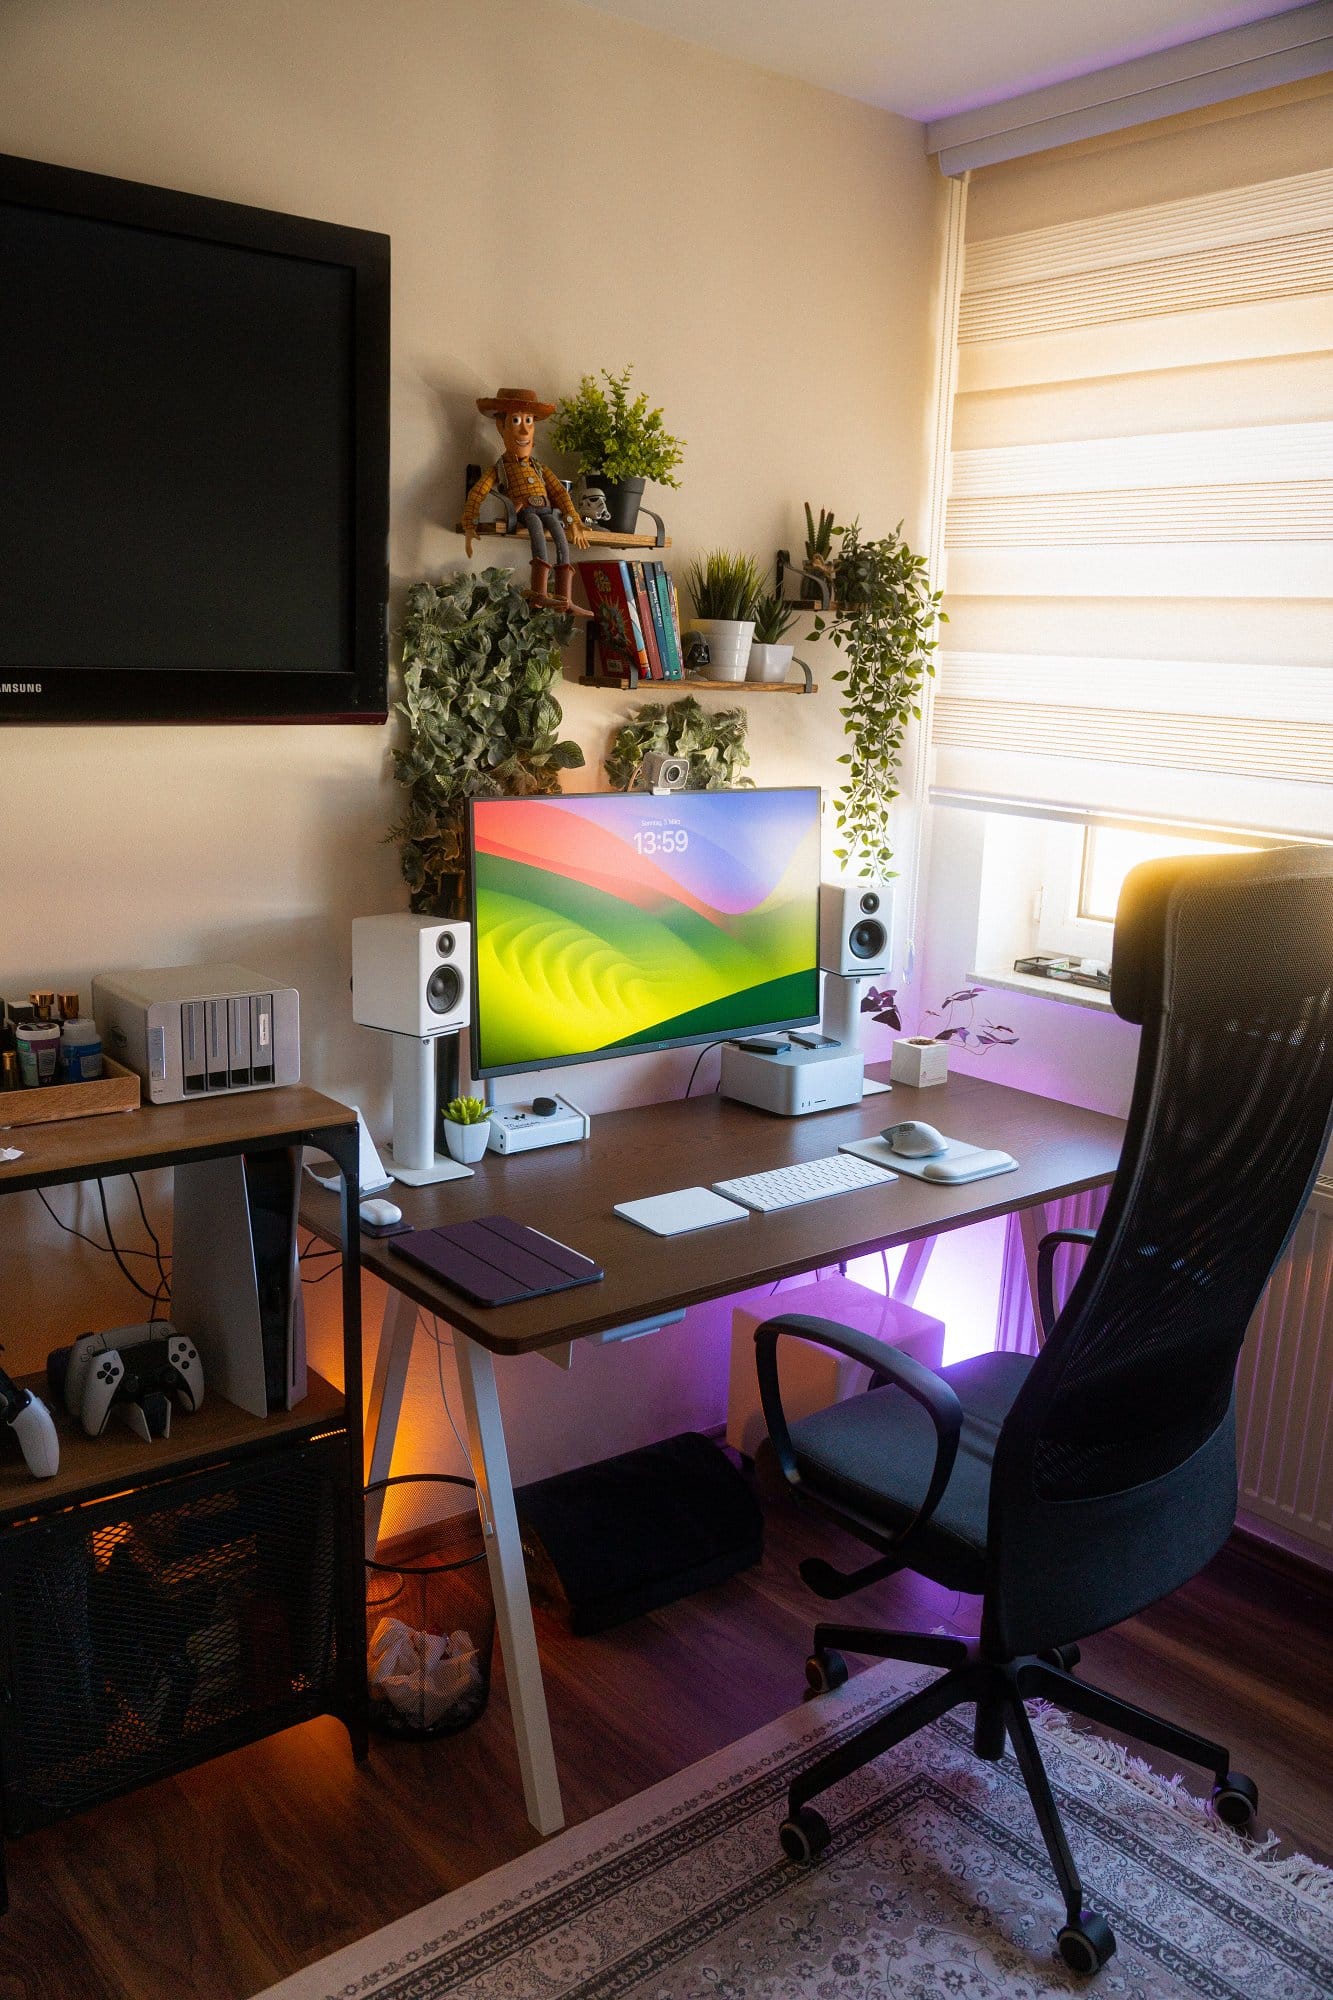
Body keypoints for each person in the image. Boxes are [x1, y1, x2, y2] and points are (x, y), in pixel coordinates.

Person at [461, 388, 591, 618]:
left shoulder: (539, 467)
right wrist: (470, 523)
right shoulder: (501, 468)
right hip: (526, 510)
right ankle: (539, 594)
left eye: (529, 421)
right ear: (501, 427)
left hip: (547, 508)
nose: (524, 429)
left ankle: (565, 598)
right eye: (516, 420)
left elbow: (560, 493)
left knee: (561, 538)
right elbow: (478, 491)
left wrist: (573, 521)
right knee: (537, 535)